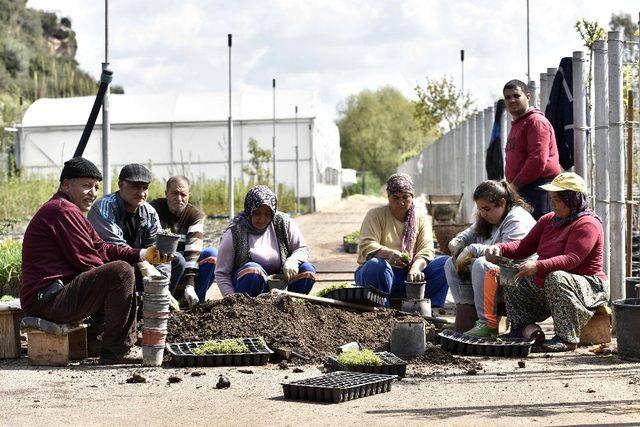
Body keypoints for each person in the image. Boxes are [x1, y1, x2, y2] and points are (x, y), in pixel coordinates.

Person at [20, 157, 169, 364]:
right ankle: (117, 350)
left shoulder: (70, 210)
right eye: (86, 186)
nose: (93, 192)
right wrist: (118, 276)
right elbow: (87, 261)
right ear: (66, 185)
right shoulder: (63, 211)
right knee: (120, 272)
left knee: (117, 271)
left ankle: (96, 342)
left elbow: (101, 248)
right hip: (46, 300)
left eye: (96, 187)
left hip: (53, 295)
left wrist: (143, 254)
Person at [487, 172, 608, 352]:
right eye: (552, 199)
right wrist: (500, 248)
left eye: (558, 200)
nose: (553, 204)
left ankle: (566, 338)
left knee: (556, 277)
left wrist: (537, 266)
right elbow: (524, 247)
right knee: (513, 274)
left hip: (589, 285)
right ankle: (521, 328)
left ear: (573, 199)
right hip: (555, 282)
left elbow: (571, 260)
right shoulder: (549, 220)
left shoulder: (587, 224)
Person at [444, 180, 536, 337]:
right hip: (501, 270)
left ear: (502, 202)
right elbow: (470, 232)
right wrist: (458, 242)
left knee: (481, 265)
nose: (483, 214)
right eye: (480, 210)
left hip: (519, 275)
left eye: (486, 209)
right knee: (450, 264)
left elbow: (509, 253)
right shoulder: (490, 218)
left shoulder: (517, 219)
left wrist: (474, 249)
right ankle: (466, 316)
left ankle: (488, 323)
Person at [355, 173, 448, 307]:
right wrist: (389, 254)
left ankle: (427, 308)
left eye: (405, 197)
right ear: (388, 197)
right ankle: (380, 308)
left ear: (412, 197)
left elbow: (426, 249)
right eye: (395, 197)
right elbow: (367, 244)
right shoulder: (375, 215)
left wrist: (415, 269)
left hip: (409, 277)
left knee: (445, 263)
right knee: (376, 265)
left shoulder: (420, 219)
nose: (401, 202)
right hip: (381, 275)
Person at [215, 185, 316, 297]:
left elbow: (302, 248)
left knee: (307, 271)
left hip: (280, 285)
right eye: (257, 213)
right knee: (253, 271)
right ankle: (250, 307)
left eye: (267, 214)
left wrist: (293, 260)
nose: (262, 219)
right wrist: (232, 299)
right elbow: (221, 273)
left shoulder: (282, 223)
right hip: (250, 285)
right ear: (249, 210)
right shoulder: (235, 232)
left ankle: (289, 304)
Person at [88, 163, 170, 289]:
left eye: (145, 187)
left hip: (138, 266)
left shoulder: (149, 212)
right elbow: (114, 246)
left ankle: (158, 302)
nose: (142, 193)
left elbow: (156, 248)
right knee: (123, 267)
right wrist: (145, 266)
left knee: (177, 262)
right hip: (109, 267)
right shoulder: (104, 207)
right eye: (136, 187)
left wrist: (161, 281)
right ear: (121, 185)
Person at [151, 176, 217, 307]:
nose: (179, 198)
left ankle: (195, 302)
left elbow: (193, 250)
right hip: (160, 267)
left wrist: (190, 284)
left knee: (212, 254)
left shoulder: (194, 215)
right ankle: (163, 300)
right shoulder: (155, 209)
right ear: (166, 194)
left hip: (185, 269)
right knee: (178, 259)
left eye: (183, 194)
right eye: (174, 193)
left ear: (189, 195)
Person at [503, 79, 562, 220]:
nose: (512, 100)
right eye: (508, 97)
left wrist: (513, 187)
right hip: (523, 188)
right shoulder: (518, 124)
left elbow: (537, 160)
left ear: (528, 97)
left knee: (538, 233)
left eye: (516, 95)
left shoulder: (535, 122)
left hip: (538, 189)